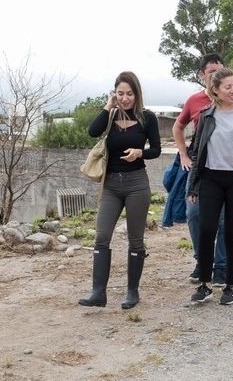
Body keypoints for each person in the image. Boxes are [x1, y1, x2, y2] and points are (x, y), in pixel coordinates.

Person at [79, 71, 161, 310]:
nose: (125, 98)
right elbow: (93, 132)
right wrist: (108, 106)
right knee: (101, 236)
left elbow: (156, 149)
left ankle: (132, 292)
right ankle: (98, 293)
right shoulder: (111, 115)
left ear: (137, 94)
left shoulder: (147, 117)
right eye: (120, 93)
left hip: (137, 184)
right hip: (111, 185)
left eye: (129, 94)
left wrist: (140, 152)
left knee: (135, 240)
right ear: (114, 94)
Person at [172, 53, 233, 287]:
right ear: (204, 77)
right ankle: (203, 263)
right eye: (211, 72)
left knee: (228, 225)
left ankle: (223, 269)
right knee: (197, 218)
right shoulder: (199, 106)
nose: (232, 89)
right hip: (207, 171)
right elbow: (181, 130)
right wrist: (184, 155)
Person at [186, 68, 233, 305]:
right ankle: (205, 284)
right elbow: (198, 151)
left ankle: (230, 286)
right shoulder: (206, 115)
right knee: (206, 230)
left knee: (231, 234)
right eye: (228, 87)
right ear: (215, 90)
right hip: (211, 179)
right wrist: (193, 186)